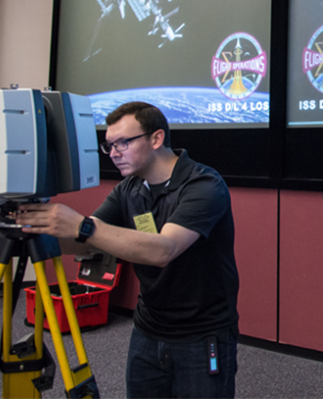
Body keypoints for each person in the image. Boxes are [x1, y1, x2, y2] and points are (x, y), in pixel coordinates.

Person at [18, 102, 239, 399]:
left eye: (123, 142)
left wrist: (82, 226)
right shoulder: (130, 189)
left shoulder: (203, 184)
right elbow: (86, 240)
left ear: (156, 139)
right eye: (109, 145)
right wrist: (37, 230)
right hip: (148, 329)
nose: (113, 153)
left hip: (201, 335)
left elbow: (163, 250)